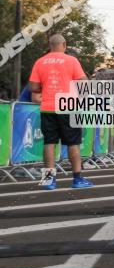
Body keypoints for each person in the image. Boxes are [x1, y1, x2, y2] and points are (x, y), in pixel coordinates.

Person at [28, 34, 92, 190]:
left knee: (49, 142)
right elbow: (84, 84)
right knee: (73, 143)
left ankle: (49, 180)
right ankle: (77, 179)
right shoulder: (71, 60)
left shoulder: (40, 62)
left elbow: (33, 88)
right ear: (64, 44)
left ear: (50, 45)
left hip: (48, 106)